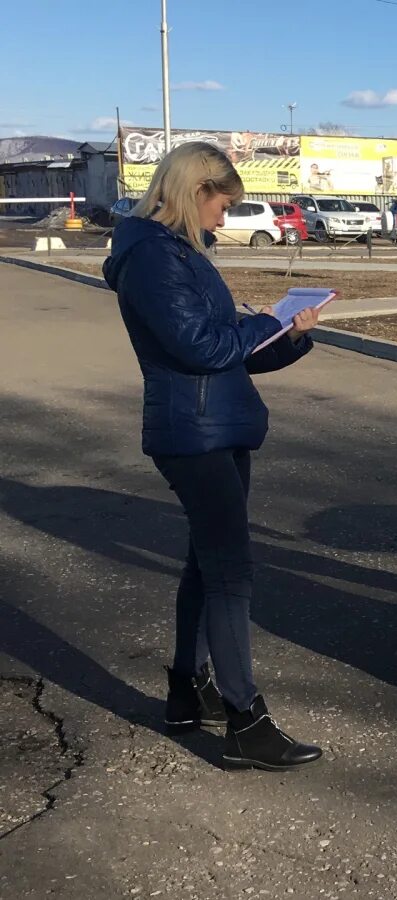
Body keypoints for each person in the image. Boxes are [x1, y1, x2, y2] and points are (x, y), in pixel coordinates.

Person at [102, 141, 322, 771]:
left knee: (207, 564)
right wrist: (258, 322)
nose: (225, 220)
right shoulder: (150, 255)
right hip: (192, 432)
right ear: (193, 193)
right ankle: (246, 720)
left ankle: (186, 689)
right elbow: (201, 344)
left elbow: (232, 352)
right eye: (222, 206)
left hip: (217, 424)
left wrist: (290, 335)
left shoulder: (175, 252)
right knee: (231, 573)